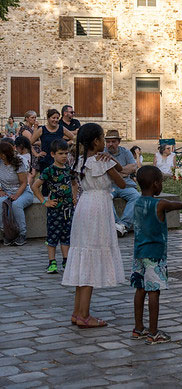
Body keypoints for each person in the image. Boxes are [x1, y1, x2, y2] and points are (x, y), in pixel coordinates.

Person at [130, 166, 182, 344]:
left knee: (140, 289)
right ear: (155, 184)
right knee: (154, 291)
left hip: (139, 253)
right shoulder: (159, 204)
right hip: (155, 255)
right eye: (160, 181)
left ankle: (138, 328)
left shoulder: (137, 202)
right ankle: (154, 332)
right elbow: (181, 205)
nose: (161, 185)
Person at [62, 123, 127, 329]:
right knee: (90, 260)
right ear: (96, 141)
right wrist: (111, 160)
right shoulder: (101, 161)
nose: (104, 143)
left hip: (84, 206)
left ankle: (77, 312)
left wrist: (111, 159)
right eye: (102, 139)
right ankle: (84, 315)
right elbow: (123, 180)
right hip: (98, 208)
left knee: (83, 256)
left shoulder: (80, 160)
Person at [31, 139, 74, 274]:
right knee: (53, 235)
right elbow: (35, 186)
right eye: (61, 153)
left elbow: (74, 183)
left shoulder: (69, 169)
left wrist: (74, 197)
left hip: (68, 208)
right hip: (55, 209)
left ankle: (66, 260)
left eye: (66, 153)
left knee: (67, 235)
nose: (64, 156)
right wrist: (44, 202)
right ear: (53, 154)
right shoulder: (49, 170)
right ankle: (52, 261)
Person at [0, 140, 38, 246]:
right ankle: (7, 232)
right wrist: (1, 190)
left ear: (3, 155)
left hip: (23, 192)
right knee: (1, 203)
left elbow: (24, 183)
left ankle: (22, 234)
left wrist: (16, 195)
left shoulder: (19, 162)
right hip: (6, 192)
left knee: (16, 204)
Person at [105, 130, 141, 237]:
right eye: (108, 142)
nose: (110, 144)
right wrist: (123, 172)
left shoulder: (125, 152)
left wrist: (114, 173)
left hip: (126, 185)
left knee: (136, 197)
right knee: (105, 197)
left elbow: (133, 167)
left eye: (113, 141)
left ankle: (123, 225)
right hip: (109, 185)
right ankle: (116, 223)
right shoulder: (103, 153)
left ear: (118, 142)